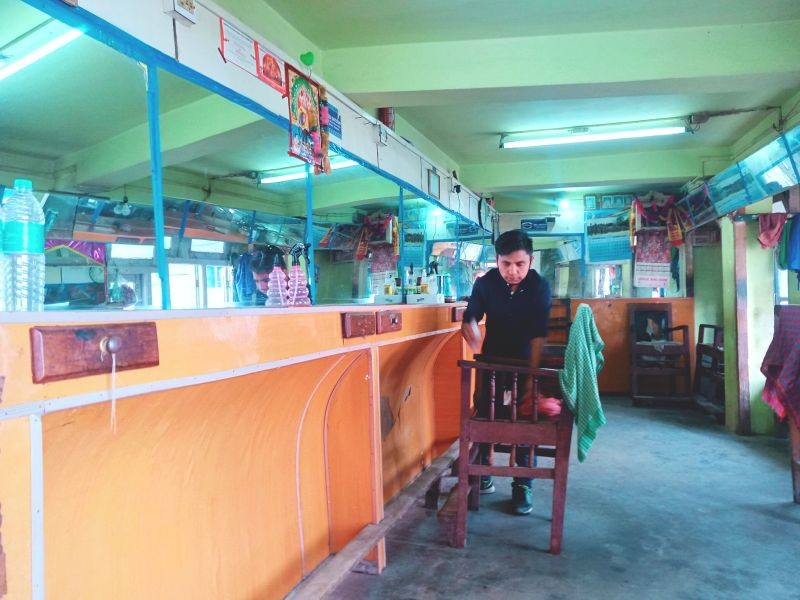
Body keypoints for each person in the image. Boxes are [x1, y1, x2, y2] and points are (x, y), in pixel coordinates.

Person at [461, 229, 552, 515]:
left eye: (520, 264)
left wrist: (531, 379)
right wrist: (472, 333)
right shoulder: (486, 283)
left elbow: (539, 335)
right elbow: (470, 317)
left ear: (530, 260)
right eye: (505, 264)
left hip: (526, 362)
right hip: (491, 362)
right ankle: (484, 471)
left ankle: (522, 484)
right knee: (486, 416)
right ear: (497, 260)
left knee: (524, 423)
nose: (512, 271)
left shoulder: (539, 286)